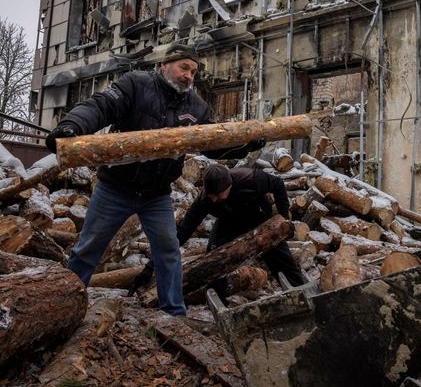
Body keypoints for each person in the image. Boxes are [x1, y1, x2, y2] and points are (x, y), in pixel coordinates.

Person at [44, 44, 262, 316]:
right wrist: (72, 126)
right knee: (89, 247)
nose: (188, 76)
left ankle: (174, 313)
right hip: (116, 187)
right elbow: (101, 105)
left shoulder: (196, 106)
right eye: (184, 68)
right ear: (164, 65)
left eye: (193, 72)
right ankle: (64, 306)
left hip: (156, 195)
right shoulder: (135, 84)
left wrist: (245, 145)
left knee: (168, 251)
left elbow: (213, 145)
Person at [136, 164, 306, 303]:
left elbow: (278, 185)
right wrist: (151, 266)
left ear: (230, 185)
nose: (214, 200)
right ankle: (220, 301)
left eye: (219, 195)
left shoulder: (250, 178)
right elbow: (181, 233)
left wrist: (282, 221)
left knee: (281, 258)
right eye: (211, 196)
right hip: (229, 222)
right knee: (214, 256)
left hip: (258, 216)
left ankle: (302, 293)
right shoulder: (204, 201)